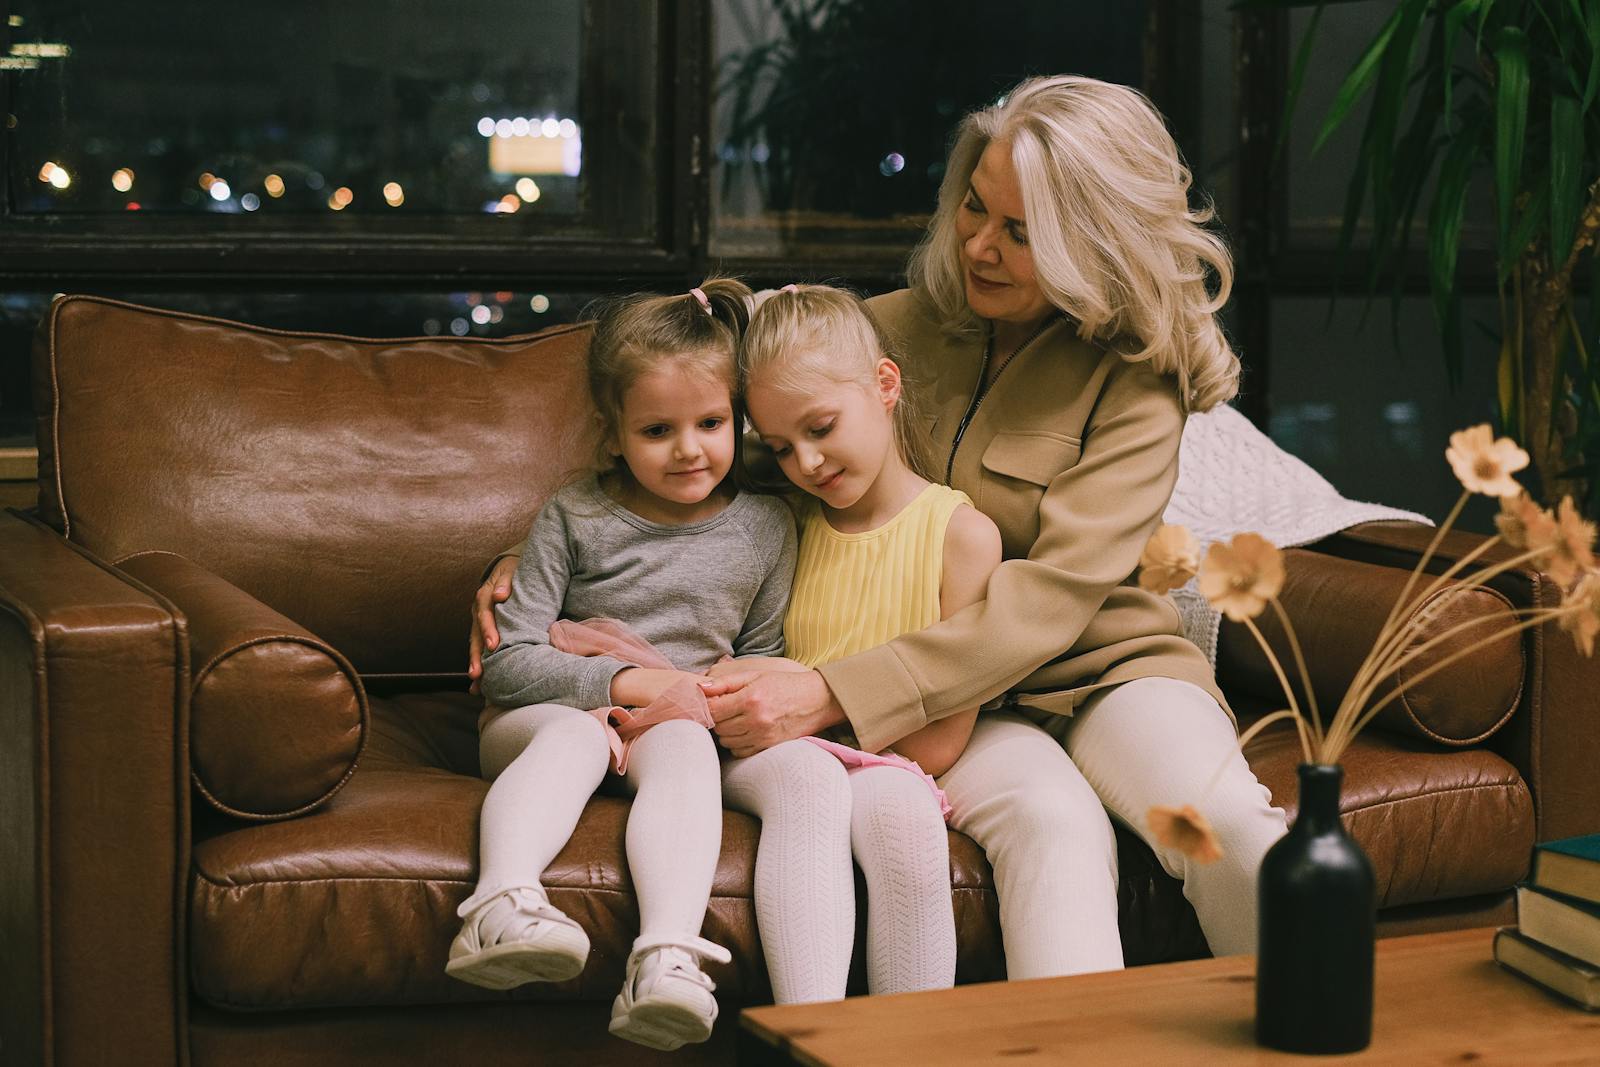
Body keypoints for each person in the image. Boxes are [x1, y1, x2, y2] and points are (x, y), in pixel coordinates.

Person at [474, 75, 1288, 975]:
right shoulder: (881, 333)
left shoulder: (1138, 379)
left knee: (1229, 828)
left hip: (1100, 675)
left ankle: (1316, 1026)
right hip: (956, 715)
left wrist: (833, 691)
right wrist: (540, 552)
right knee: (1052, 826)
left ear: (1088, 240)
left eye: (1020, 233)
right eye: (975, 207)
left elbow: (1052, 598)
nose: (978, 245)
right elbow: (709, 461)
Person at [455, 278, 796, 1052]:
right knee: (579, 737)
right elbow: (509, 664)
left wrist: (718, 699)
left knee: (684, 749)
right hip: (544, 716)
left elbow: (763, 656)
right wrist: (624, 683)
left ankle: (667, 955)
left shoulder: (768, 528)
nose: (689, 448)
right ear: (612, 434)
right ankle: (498, 905)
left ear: (738, 418)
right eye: (657, 429)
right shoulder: (575, 514)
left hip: (673, 722)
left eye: (711, 422)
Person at [718, 282, 1003, 998]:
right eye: (781, 447)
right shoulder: (780, 524)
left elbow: (939, 746)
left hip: (889, 768)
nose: (806, 463)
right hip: (777, 757)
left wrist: (821, 709)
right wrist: (514, 562)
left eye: (821, 428)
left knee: (906, 823)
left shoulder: (962, 537)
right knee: (820, 790)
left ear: (884, 385)